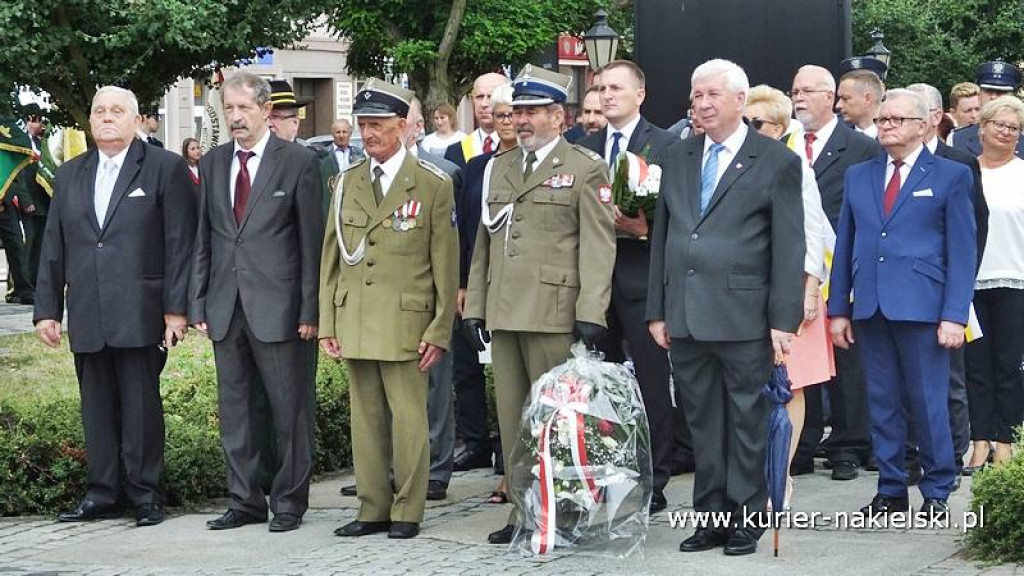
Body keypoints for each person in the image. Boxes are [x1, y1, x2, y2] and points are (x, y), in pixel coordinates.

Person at [647, 59, 804, 556]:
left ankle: (746, 518)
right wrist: (658, 309)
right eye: (696, 96)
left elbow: (789, 246)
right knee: (702, 423)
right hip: (687, 314)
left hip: (744, 315)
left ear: (740, 100)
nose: (703, 104)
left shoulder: (775, 160)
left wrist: (784, 319)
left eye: (713, 94)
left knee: (746, 420)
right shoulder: (678, 155)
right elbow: (664, 239)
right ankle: (710, 516)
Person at [462, 64, 615, 545]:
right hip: (507, 312)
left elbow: (597, 245)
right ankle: (523, 510)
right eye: (518, 111)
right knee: (513, 420)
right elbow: (485, 244)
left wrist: (591, 310)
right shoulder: (500, 167)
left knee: (559, 420)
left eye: (532, 112)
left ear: (559, 117)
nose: (521, 120)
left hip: (554, 311)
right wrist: (476, 307)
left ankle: (566, 512)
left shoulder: (584, 167)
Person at [33, 85, 197, 527]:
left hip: (141, 311)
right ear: (89, 121)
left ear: (136, 118)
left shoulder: (165, 168)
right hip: (88, 310)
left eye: (117, 111)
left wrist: (176, 309)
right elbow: (53, 246)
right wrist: (47, 310)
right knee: (97, 407)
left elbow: (181, 244)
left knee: (141, 407)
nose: (107, 117)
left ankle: (146, 495)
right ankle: (102, 492)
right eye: (99, 111)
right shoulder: (70, 174)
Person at [320, 78, 458, 540]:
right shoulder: (345, 182)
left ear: (402, 127)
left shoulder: (433, 184)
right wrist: (327, 323)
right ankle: (372, 506)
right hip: (356, 317)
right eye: (363, 125)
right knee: (366, 421)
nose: (368, 134)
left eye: (377, 125)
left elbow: (445, 265)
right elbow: (331, 260)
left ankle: (407, 511)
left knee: (408, 421)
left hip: (406, 322)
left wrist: (439, 330)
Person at [829, 89, 976, 521]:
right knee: (882, 402)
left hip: (924, 307)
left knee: (929, 401)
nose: (886, 126)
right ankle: (890, 488)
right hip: (871, 305)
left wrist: (954, 315)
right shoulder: (860, 175)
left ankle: (936, 488)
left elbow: (963, 251)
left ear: (922, 124)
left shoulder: (950, 175)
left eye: (896, 119)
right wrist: (839, 309)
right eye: (882, 120)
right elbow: (846, 245)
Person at [189, 72, 323, 533]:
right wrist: (198, 302)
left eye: (244, 108)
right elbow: (204, 239)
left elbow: (311, 243)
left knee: (289, 410)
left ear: (266, 110)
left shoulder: (298, 162)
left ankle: (288, 501)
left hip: (283, 309)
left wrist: (311, 311)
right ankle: (244, 500)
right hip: (227, 306)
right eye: (229, 109)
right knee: (237, 411)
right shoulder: (213, 164)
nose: (235, 117)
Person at [576, 59, 690, 514]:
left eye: (616, 88)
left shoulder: (667, 145)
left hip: (642, 282)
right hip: (592, 288)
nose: (606, 95)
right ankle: (605, 474)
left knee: (651, 386)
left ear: (640, 94)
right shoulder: (581, 148)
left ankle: (656, 478)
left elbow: (681, 216)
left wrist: (644, 228)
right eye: (601, 88)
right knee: (597, 386)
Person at [789, 64, 881, 481]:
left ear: (830, 97)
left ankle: (848, 443)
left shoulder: (860, 148)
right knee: (802, 361)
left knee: (845, 356)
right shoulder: (784, 143)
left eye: (808, 91)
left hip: (842, 265)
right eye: (795, 91)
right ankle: (803, 444)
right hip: (796, 268)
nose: (799, 98)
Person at [745, 84, 834, 509]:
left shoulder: (795, 163)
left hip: (792, 290)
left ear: (780, 129)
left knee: (789, 385)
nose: (748, 129)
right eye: (743, 121)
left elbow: (813, 228)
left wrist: (811, 287)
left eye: (756, 123)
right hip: (745, 290)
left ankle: (780, 476)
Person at [906, 83, 988, 486]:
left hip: (947, 289)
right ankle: (910, 456)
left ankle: (951, 454)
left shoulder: (959, 162)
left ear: (934, 118)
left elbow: (975, 226)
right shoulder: (884, 164)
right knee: (904, 381)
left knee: (949, 378)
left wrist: (961, 285)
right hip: (903, 295)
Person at [455, 84, 518, 502]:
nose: (505, 120)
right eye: (497, 114)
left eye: (512, 113)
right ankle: (501, 458)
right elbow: (467, 233)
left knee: (523, 384)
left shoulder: (538, 164)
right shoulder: (476, 166)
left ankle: (517, 472)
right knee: (495, 377)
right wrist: (464, 284)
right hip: (484, 285)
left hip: (526, 290)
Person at [965, 96, 1024, 470]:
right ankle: (979, 440)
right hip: (970, 283)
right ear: (981, 128)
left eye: (1013, 128)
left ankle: (1007, 440)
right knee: (976, 367)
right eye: (999, 125)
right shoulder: (964, 172)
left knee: (1010, 366)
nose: (1005, 133)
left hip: (1016, 280)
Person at [952, 60, 1024, 157]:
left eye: (1000, 92)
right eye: (988, 91)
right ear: (979, 94)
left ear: (1012, 96)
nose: (993, 97)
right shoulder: (957, 138)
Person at [15, 109, 49, 297]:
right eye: (34, 120)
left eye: (40, 121)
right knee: (27, 245)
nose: (38, 125)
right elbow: (19, 175)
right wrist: (25, 200)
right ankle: (22, 284)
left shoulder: (41, 143)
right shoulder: (20, 143)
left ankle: (35, 282)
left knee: (40, 246)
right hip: (27, 201)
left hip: (43, 201)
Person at [444, 72, 508, 169]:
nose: (483, 104)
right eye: (479, 97)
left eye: (490, 96)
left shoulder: (521, 148)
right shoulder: (455, 152)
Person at [320, 118, 365, 217]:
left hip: (353, 206)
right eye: (338, 132)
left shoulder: (359, 155)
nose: (341, 135)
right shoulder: (323, 156)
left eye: (344, 132)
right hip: (331, 206)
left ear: (350, 133)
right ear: (332, 134)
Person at [836, 69, 884, 139]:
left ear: (868, 99)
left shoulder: (893, 139)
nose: (838, 105)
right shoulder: (835, 133)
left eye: (845, 98)